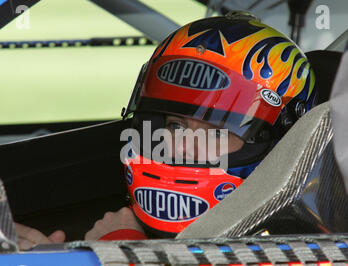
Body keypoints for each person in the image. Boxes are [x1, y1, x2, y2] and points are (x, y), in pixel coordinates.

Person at [15, 12, 317, 248]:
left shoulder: (303, 248)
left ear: (281, 147)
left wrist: (122, 253)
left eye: (214, 133)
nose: (183, 147)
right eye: (175, 126)